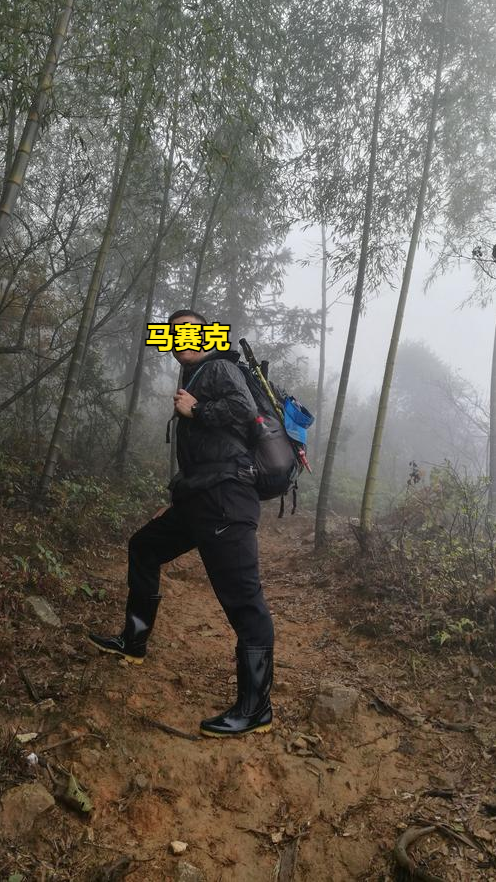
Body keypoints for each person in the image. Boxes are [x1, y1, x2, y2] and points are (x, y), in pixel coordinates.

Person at [89, 310, 274, 737]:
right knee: (145, 546)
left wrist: (198, 409)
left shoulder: (220, 366)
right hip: (199, 499)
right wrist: (175, 500)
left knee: (244, 601)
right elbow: (205, 454)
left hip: (227, 500)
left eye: (191, 330)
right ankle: (133, 642)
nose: (181, 338)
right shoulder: (194, 377)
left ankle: (256, 708)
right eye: (174, 333)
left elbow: (244, 411)